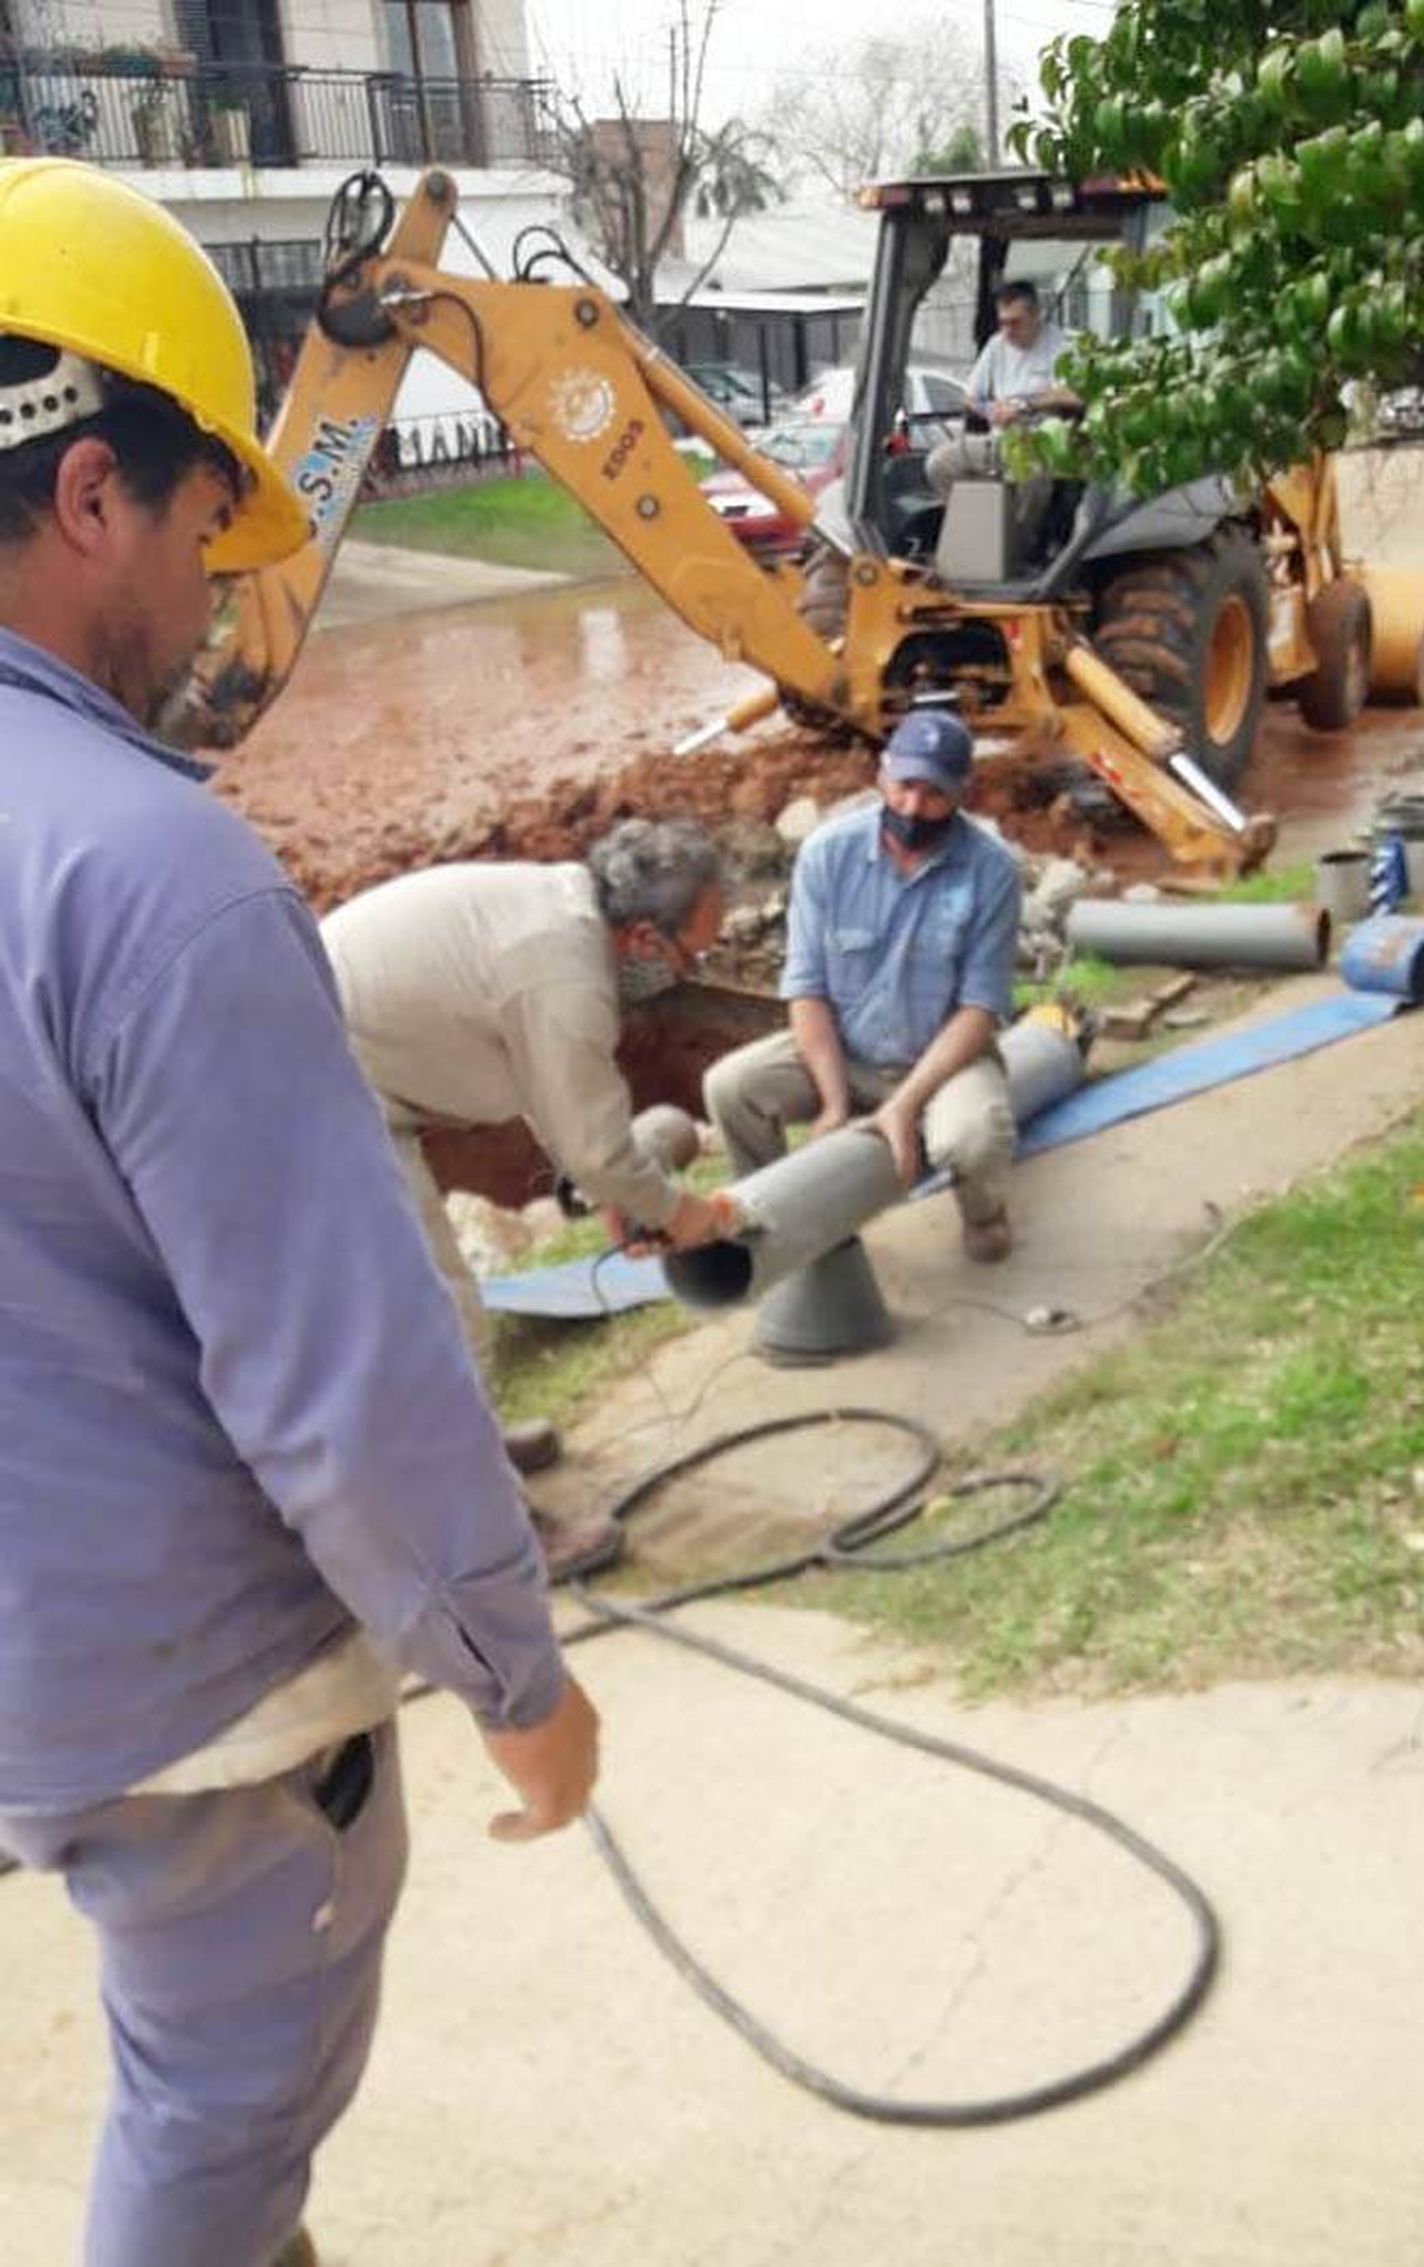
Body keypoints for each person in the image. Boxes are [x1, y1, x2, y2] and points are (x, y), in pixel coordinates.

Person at [0, 159, 597, 2267]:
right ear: (91, 495)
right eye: (192, 527)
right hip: (194, 1696)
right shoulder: (147, 875)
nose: (207, 592)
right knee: (219, 2111)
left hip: (30, 1667)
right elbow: (341, 1380)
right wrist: (518, 1674)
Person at [319, 823, 727, 1578]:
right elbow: (598, 1144)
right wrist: (680, 1212)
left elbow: (559, 1097)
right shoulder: (564, 972)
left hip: (349, 1066)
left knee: (440, 1302)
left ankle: (466, 1449)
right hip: (311, 1096)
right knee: (439, 1315)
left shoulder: (566, 921)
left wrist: (611, 1192)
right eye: (688, 955)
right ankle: (496, 1531)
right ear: (642, 935)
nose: (690, 970)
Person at [705, 709, 1021, 1263]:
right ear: (881, 775)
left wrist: (904, 1105)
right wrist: (832, 1103)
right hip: (846, 1052)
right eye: (903, 786)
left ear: (963, 793)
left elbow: (978, 1009)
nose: (913, 807)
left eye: (934, 794)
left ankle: (983, 1210)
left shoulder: (991, 872)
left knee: (972, 1135)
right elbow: (806, 988)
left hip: (944, 1059)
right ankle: (770, 1215)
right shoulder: (828, 855)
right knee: (731, 1087)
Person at [925, 278, 1080, 502]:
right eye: (1003, 323)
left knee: (1031, 475)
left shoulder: (1061, 345)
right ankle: (970, 529)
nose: (1008, 331)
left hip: (1042, 442)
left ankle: (1021, 535)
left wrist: (1023, 407)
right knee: (939, 464)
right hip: (1000, 441)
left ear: (1036, 315)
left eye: (1015, 322)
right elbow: (969, 397)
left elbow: (1071, 394)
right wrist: (989, 410)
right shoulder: (997, 346)